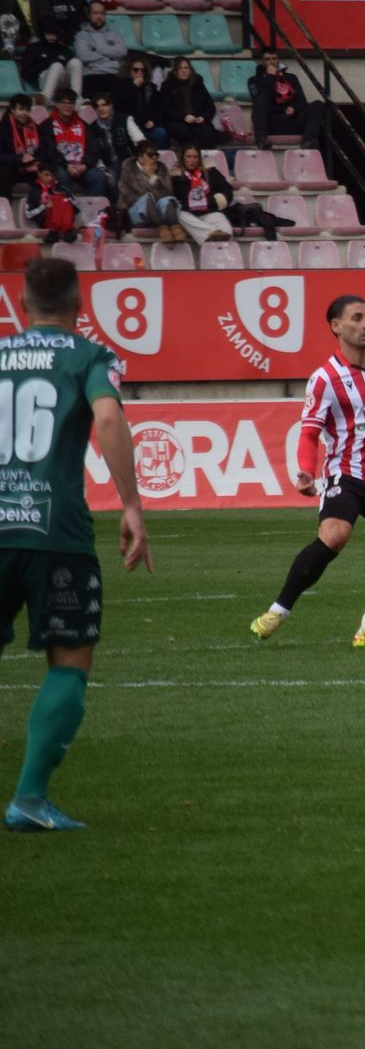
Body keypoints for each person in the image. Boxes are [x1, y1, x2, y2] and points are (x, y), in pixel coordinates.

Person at [2, 257, 152, 832]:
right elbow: (108, 420)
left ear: (21, 303)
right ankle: (29, 800)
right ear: (80, 305)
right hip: (56, 531)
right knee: (69, 660)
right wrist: (131, 505)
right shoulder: (92, 357)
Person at [250, 296, 365, 647]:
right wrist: (306, 471)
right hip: (344, 475)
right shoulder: (325, 379)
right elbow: (309, 432)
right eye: (357, 318)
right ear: (336, 326)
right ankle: (278, 611)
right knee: (334, 536)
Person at [246, 48, 327, 151]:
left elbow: (301, 101)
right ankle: (261, 140)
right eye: (267, 59)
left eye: (274, 58)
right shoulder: (254, 81)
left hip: (292, 120)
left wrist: (294, 108)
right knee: (259, 100)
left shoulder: (291, 78)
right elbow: (262, 99)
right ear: (262, 62)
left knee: (318, 105)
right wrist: (270, 77)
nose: (271, 62)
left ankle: (309, 140)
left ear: (278, 60)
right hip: (271, 122)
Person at [46, 88, 107, 200]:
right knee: (62, 175)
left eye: (70, 103)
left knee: (98, 176)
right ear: (57, 104)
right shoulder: (48, 125)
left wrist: (84, 165)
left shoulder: (83, 124)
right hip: (61, 166)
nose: (67, 106)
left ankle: (94, 210)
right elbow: (49, 151)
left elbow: (93, 150)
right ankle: (66, 208)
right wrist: (66, 165)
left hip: (81, 166)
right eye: (63, 103)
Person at [117, 138, 180, 241]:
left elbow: (168, 193)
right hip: (134, 212)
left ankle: (176, 229)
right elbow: (128, 196)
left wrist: (153, 178)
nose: (154, 158)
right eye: (150, 155)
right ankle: (162, 228)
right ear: (140, 157)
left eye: (156, 155)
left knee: (168, 200)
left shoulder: (162, 169)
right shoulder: (128, 168)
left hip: (157, 211)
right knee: (147, 198)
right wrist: (148, 180)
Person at [170, 142, 231, 242]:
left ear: (199, 159)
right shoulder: (176, 176)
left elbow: (227, 189)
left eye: (195, 157)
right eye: (188, 157)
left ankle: (211, 236)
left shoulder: (210, 172)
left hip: (208, 211)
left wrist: (216, 202)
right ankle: (213, 234)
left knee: (227, 231)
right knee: (179, 214)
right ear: (183, 158)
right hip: (188, 214)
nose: (192, 160)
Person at [0, 92, 53, 197]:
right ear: (12, 110)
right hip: (12, 167)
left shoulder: (34, 127)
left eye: (27, 110)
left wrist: (36, 162)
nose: (24, 113)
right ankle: (4, 206)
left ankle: (41, 205)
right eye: (21, 109)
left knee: (47, 174)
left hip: (31, 168)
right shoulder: (3, 128)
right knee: (4, 174)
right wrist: (19, 159)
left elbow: (44, 150)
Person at [72, 0, 124, 102]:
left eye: (102, 13)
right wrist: (110, 57)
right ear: (89, 15)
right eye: (95, 13)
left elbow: (122, 52)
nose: (99, 16)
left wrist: (96, 49)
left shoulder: (114, 34)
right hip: (91, 75)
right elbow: (84, 56)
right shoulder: (81, 36)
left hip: (113, 74)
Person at [160, 57, 218, 149]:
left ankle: (208, 156)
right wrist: (184, 117)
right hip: (177, 121)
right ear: (175, 71)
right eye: (180, 68)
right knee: (183, 131)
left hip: (198, 120)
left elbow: (210, 107)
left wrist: (203, 117)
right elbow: (166, 109)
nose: (184, 71)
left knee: (207, 133)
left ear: (190, 70)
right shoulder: (167, 85)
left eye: (186, 68)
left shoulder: (198, 84)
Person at [18, 18, 81, 101]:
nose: (51, 37)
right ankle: (46, 100)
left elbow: (72, 69)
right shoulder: (34, 48)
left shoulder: (64, 49)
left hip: (64, 82)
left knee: (76, 62)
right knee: (56, 66)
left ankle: (77, 99)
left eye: (54, 34)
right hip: (44, 79)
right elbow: (25, 74)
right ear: (43, 33)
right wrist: (45, 63)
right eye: (49, 33)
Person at [118, 55, 166, 148]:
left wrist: (153, 121)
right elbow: (120, 103)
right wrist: (134, 86)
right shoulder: (121, 85)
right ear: (129, 70)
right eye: (136, 70)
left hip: (146, 125)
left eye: (142, 70)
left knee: (161, 133)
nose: (139, 72)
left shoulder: (151, 87)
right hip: (128, 125)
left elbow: (158, 107)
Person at [24, 164, 77, 242]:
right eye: (47, 175)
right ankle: (59, 231)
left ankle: (64, 231)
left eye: (53, 176)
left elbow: (76, 208)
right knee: (55, 199)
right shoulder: (34, 191)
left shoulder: (62, 189)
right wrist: (44, 206)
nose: (50, 178)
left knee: (62, 199)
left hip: (64, 219)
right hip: (44, 220)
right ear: (39, 173)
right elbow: (29, 214)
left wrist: (65, 198)